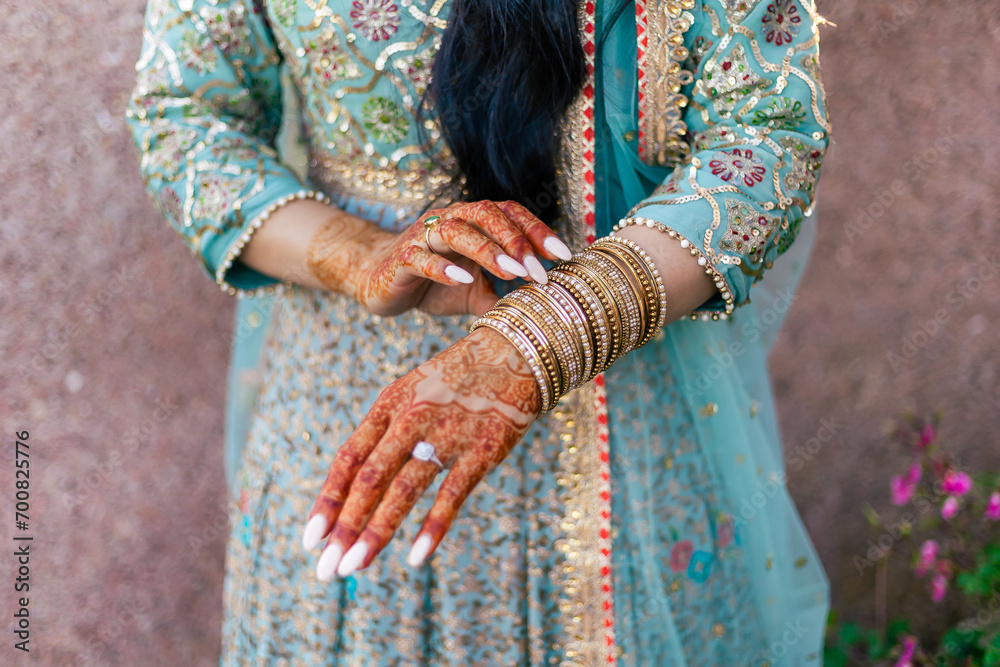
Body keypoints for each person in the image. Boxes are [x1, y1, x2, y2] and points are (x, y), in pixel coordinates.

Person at [126, 0, 831, 664]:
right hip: (352, 421)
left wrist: (546, 333)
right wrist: (362, 254)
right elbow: (184, 116)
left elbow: (768, 129)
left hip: (623, 426)